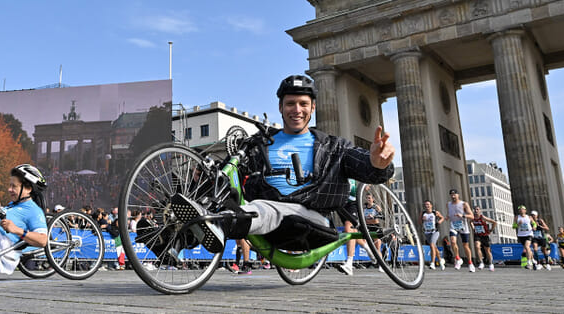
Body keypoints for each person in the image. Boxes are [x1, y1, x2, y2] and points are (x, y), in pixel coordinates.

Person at [172, 75, 395, 258]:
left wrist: (377, 163)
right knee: (229, 195)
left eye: (303, 104)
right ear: (280, 107)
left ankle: (219, 224)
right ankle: (171, 240)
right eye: (290, 103)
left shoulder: (333, 148)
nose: (296, 109)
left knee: (263, 208)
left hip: (309, 218)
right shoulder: (260, 144)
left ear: (313, 108)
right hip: (263, 217)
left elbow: (364, 167)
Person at [446, 188, 475, 272]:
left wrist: (462, 215)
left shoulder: (464, 204)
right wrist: (448, 216)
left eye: (454, 194)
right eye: (451, 195)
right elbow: (449, 213)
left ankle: (470, 263)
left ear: (458, 195)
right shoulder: (448, 204)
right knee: (453, 241)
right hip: (453, 225)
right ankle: (458, 258)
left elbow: (472, 216)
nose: (453, 196)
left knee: (465, 245)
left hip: (463, 225)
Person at [421, 199, 445, 270]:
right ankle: (440, 260)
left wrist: (440, 221)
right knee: (434, 247)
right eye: (425, 205)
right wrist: (422, 219)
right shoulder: (423, 213)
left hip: (434, 231)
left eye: (428, 204)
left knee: (432, 245)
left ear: (431, 205)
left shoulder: (435, 212)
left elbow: (442, 217)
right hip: (427, 232)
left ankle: (432, 263)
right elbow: (419, 222)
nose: (427, 206)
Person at [471, 206, 496, 271]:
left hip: (484, 235)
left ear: (480, 211)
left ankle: (491, 263)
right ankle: (481, 262)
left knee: (487, 250)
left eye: (477, 209)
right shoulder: (473, 218)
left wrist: (491, 230)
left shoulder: (482, 217)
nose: (476, 211)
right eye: (475, 209)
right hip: (477, 235)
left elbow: (494, 222)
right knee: (477, 246)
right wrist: (473, 228)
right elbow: (470, 222)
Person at [513, 205, 536, 270]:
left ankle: (529, 263)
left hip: (529, 234)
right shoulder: (517, 217)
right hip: (521, 235)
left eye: (522, 209)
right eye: (520, 209)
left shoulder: (529, 217)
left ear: (525, 210)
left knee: (527, 246)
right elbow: (513, 226)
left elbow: (534, 223)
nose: (521, 210)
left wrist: (534, 227)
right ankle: (533, 259)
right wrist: (518, 224)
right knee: (527, 248)